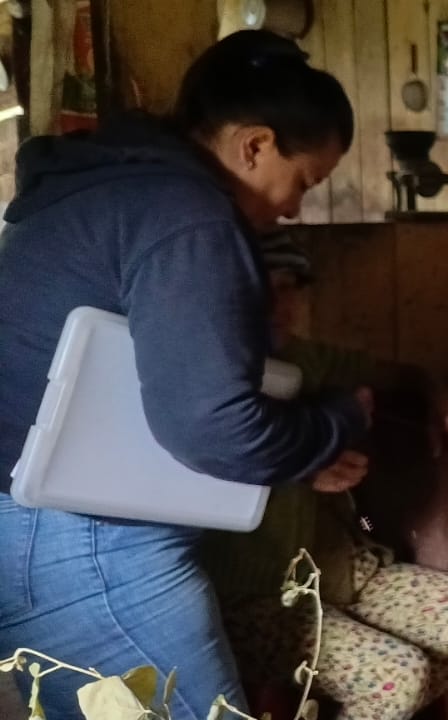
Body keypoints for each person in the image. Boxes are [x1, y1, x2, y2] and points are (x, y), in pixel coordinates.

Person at [0, 31, 368, 719]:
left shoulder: (101, 186)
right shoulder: (189, 215)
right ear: (254, 145)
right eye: (304, 181)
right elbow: (212, 427)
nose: (293, 208)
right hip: (88, 544)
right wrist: (335, 424)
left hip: (34, 526)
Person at [204, 236, 448, 720]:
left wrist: (446, 401)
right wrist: (300, 462)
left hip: (342, 571)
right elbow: (204, 457)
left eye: (290, 287)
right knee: (400, 676)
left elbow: (406, 374)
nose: (280, 305)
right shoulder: (205, 372)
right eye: (262, 288)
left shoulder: (307, 358)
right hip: (254, 597)